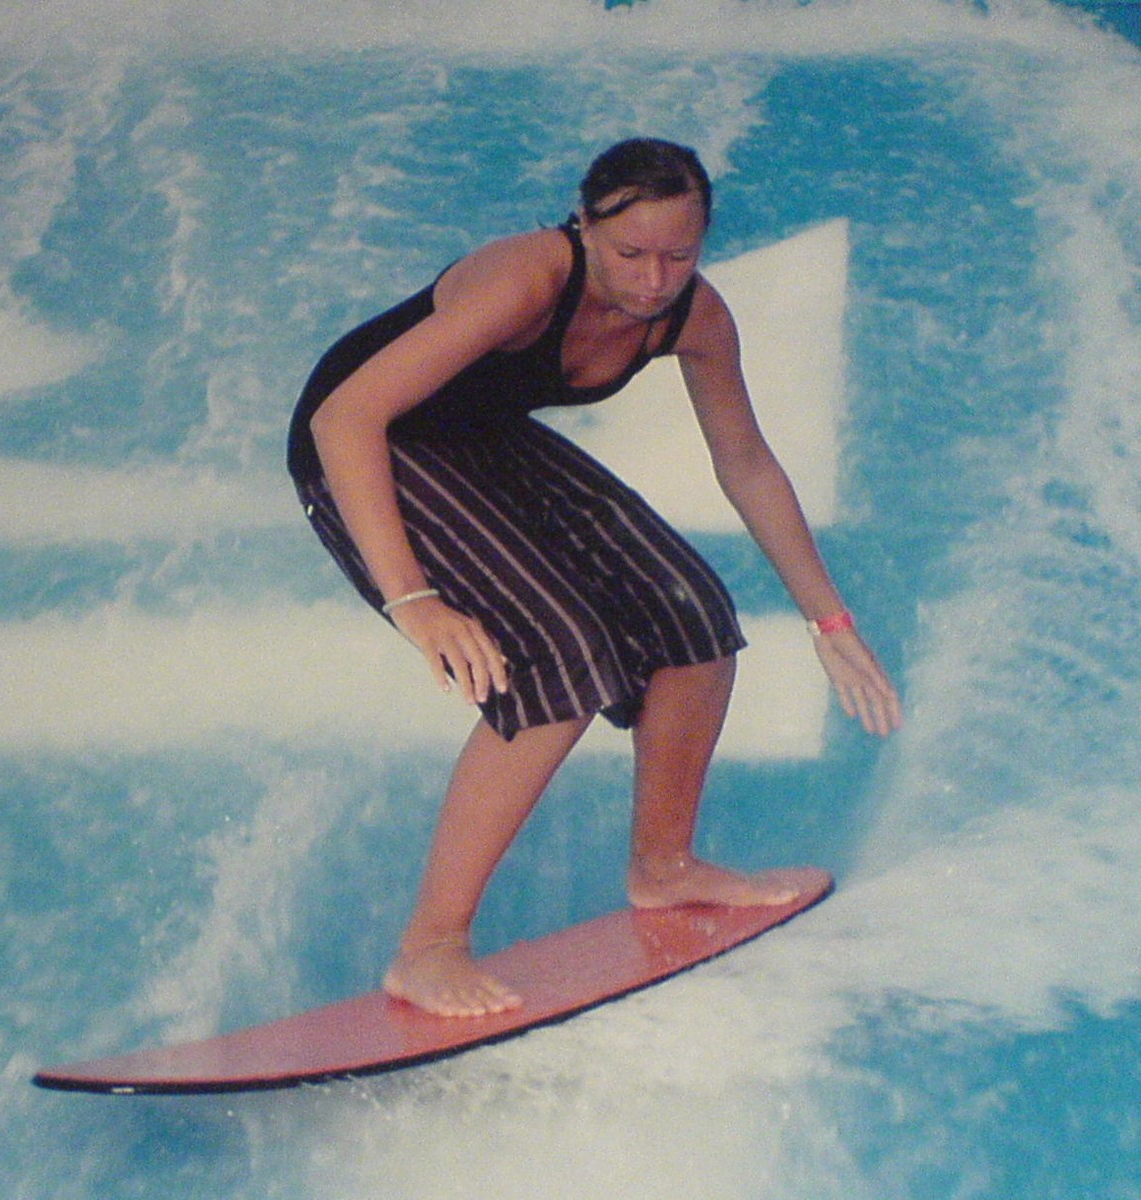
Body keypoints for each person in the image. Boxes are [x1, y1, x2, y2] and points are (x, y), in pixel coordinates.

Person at [288, 137, 901, 1018]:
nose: (654, 280)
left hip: (481, 440)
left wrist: (829, 624)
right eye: (630, 253)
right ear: (584, 225)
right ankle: (428, 947)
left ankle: (664, 866)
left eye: (679, 255)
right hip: (367, 443)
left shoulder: (694, 316)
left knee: (693, 619)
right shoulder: (525, 279)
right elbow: (346, 418)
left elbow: (747, 463)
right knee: (559, 656)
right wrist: (415, 602)